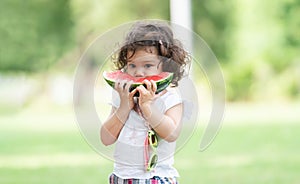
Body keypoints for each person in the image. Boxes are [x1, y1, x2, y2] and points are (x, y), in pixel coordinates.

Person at [100, 21, 190, 184]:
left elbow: (171, 134)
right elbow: (106, 138)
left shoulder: (170, 97)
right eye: (132, 65)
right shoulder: (122, 97)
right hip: (122, 177)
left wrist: (147, 107)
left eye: (148, 65)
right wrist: (124, 108)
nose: (139, 72)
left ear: (166, 66)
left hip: (157, 178)